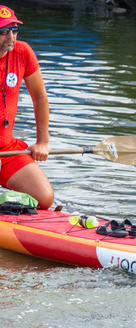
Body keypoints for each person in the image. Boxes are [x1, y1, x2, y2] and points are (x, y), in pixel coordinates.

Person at [0, 5, 53, 209]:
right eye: (3, 31)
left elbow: (39, 97)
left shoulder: (23, 52)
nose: (10, 36)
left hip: (7, 149)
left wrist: (42, 142)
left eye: (14, 30)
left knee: (44, 198)